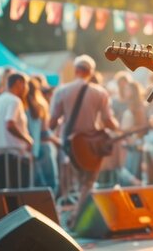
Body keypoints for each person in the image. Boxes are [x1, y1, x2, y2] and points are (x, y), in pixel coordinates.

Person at [49, 55, 119, 229]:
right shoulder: (100, 92)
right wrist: (119, 127)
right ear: (91, 72)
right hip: (91, 146)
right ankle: (77, 218)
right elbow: (108, 121)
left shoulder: (62, 91)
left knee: (75, 184)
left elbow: (51, 123)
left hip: (70, 145)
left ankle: (75, 218)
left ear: (75, 70)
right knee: (87, 183)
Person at [0, 73, 33, 189]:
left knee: (4, 190)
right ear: (18, 83)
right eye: (26, 84)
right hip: (12, 153)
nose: (27, 89)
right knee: (16, 191)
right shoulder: (14, 101)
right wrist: (27, 139)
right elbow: (10, 124)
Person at [27, 78, 59, 193]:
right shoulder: (41, 104)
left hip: (30, 149)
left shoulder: (23, 106)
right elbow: (45, 132)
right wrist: (57, 141)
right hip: (44, 146)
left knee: (35, 184)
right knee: (50, 183)